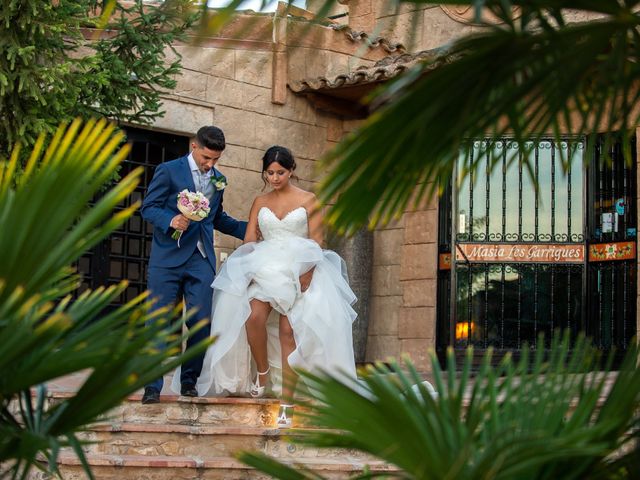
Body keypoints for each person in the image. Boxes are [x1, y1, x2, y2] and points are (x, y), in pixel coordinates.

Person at [192, 145, 358, 427]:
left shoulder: (309, 200)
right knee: (253, 318)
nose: (275, 178)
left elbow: (317, 241)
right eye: (269, 172)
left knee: (287, 332)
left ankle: (286, 404)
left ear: (291, 170)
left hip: (301, 268)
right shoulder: (260, 200)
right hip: (267, 266)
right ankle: (263, 374)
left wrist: (307, 273)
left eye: (280, 172)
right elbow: (249, 240)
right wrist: (250, 269)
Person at [140, 126, 247, 404]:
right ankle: (152, 386)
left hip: (201, 258)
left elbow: (217, 217)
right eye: (207, 158)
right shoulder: (168, 170)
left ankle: (189, 381)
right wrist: (171, 220)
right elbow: (148, 207)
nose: (210, 165)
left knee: (201, 322)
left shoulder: (219, 180)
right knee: (159, 321)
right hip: (167, 258)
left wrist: (248, 229)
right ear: (195, 147)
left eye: (215, 160)